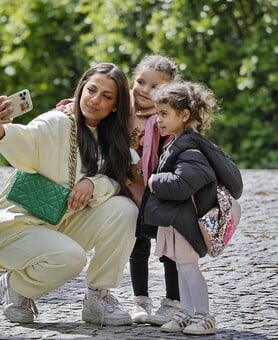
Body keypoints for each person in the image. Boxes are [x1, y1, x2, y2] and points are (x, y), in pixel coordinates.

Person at [0, 62, 138, 326]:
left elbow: (115, 181)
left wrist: (92, 183)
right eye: (91, 90)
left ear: (115, 105)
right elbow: (26, 142)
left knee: (125, 210)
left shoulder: (110, 137)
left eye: (107, 96)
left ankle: (97, 298)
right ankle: (16, 286)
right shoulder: (56, 122)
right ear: (80, 89)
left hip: (60, 222)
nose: (95, 100)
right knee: (72, 258)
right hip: (21, 225)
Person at [139, 81, 243, 335]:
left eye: (164, 114)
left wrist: (153, 181)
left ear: (184, 115)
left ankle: (204, 316)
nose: (158, 120)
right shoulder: (176, 143)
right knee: (179, 267)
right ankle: (186, 313)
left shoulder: (190, 148)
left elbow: (184, 183)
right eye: (157, 113)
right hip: (176, 221)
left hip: (185, 222)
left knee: (189, 269)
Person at [125, 55, 181, 326]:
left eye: (155, 87)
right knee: (137, 245)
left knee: (168, 247)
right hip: (128, 189)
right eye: (141, 82)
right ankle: (140, 300)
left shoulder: (165, 117)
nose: (145, 91)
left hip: (158, 190)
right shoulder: (122, 107)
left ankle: (173, 301)